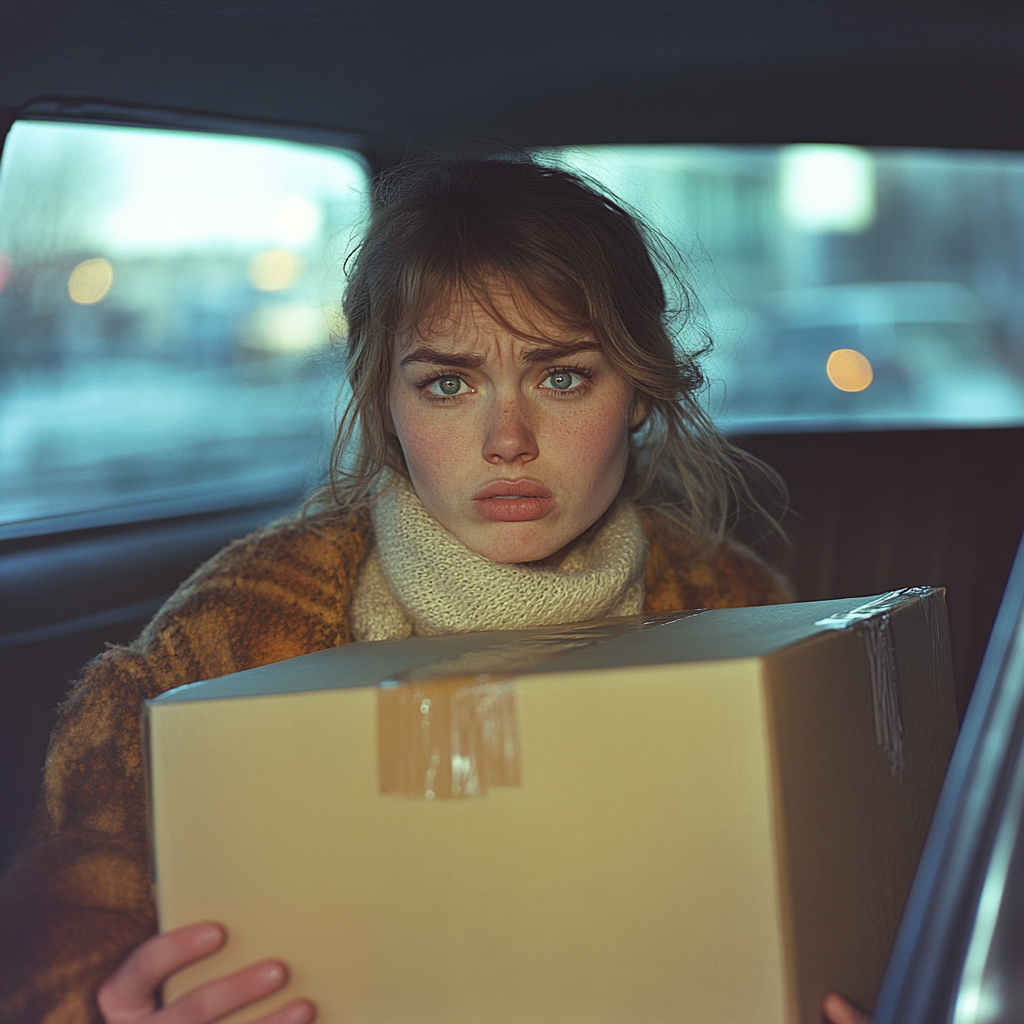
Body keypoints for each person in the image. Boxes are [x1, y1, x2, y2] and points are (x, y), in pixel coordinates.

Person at [0, 156, 864, 1024]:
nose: (509, 439)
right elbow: (64, 932)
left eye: (562, 375)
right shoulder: (226, 638)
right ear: (385, 403)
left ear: (637, 392)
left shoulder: (741, 607)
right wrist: (96, 1008)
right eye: (448, 384)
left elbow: (857, 892)